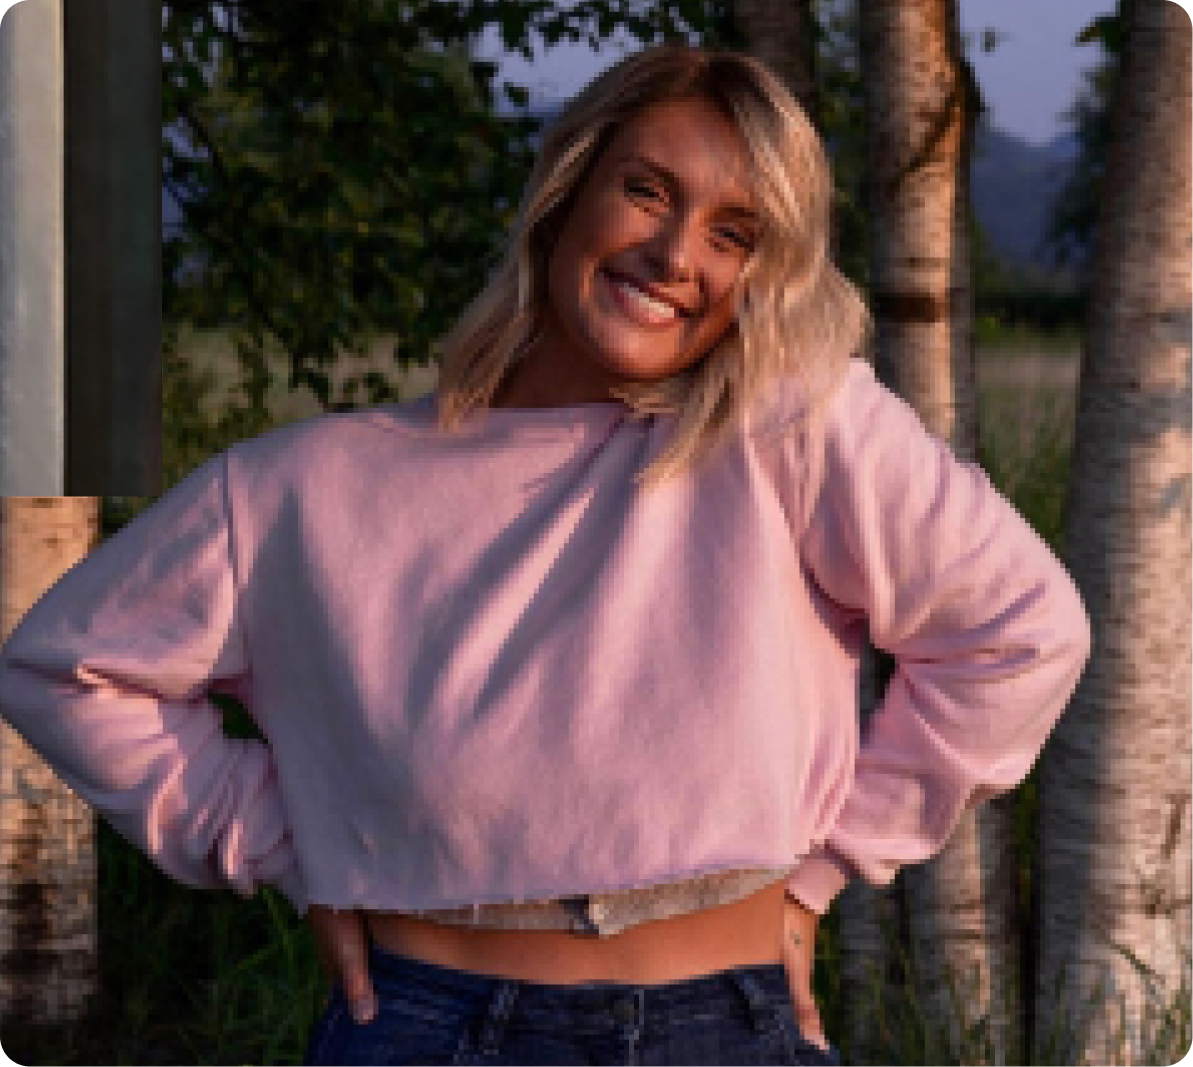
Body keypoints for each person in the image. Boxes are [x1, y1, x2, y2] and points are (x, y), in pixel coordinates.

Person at [0, 43, 1091, 1067]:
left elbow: (1020, 633)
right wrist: (279, 846)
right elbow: (66, 664)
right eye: (647, 191)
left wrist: (826, 870)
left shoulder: (793, 430)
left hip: (725, 1026)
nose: (675, 254)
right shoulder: (299, 486)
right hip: (417, 1024)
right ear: (564, 190)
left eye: (733, 233)